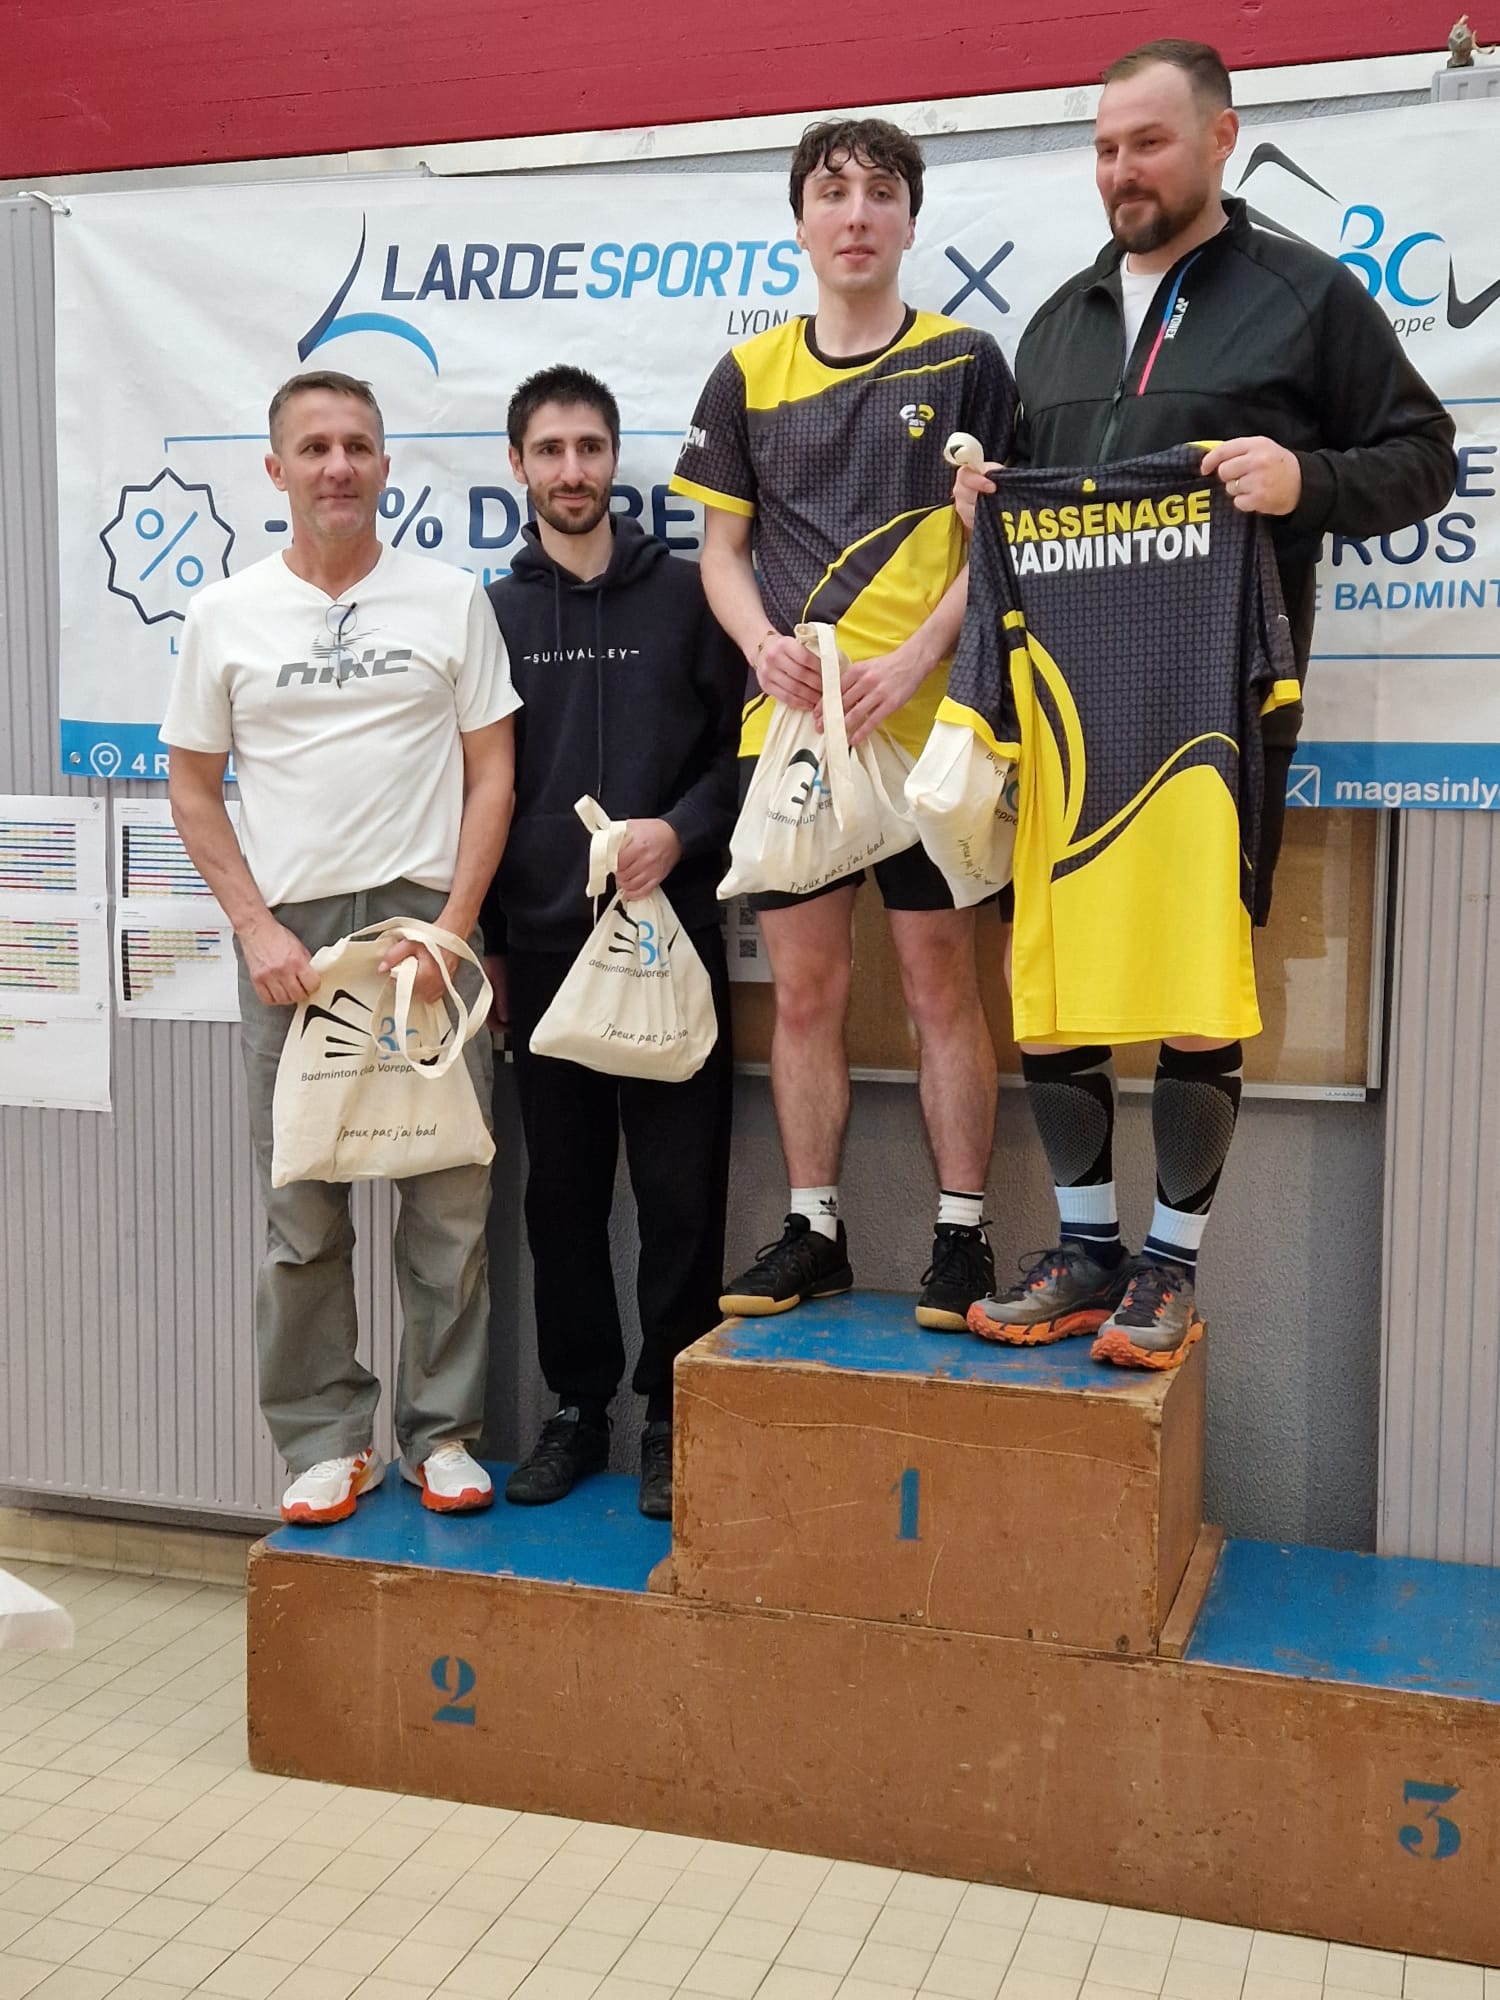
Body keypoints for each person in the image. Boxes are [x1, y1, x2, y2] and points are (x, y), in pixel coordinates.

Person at [958, 39, 1456, 1366]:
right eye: (1104, 147)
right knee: (1055, 980)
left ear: (1223, 137)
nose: (1121, 170)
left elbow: (1425, 457)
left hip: (1219, 708)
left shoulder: (1305, 294)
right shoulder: (1057, 320)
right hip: (1067, 710)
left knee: (1194, 975)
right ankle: (1084, 1248)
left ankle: (1170, 1265)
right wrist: (983, 501)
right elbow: (1023, 499)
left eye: (1149, 143)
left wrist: (1306, 483)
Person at [672, 118, 1018, 1331]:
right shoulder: (747, 375)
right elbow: (721, 552)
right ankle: (813, 1229)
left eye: (880, 192)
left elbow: (1001, 545)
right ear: (802, 222)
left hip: (930, 732)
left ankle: (962, 1235)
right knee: (807, 992)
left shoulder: (968, 359)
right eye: (832, 192)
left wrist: (916, 657)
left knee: (941, 987)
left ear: (911, 219)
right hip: (795, 738)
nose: (856, 213)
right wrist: (759, 644)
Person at [165, 369, 519, 1523]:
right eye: (314, 447)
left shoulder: (450, 599)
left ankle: (442, 1433)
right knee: (302, 1210)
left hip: (425, 932)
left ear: (384, 464)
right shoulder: (225, 615)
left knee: (449, 1200)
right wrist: (255, 927)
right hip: (295, 948)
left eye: (357, 445)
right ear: (276, 468)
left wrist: (453, 931)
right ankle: (325, 1438)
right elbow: (192, 785)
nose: (337, 466)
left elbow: (493, 774)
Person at [481, 366, 741, 1520]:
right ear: (519, 466)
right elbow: (479, 788)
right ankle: (577, 1410)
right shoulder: (494, 615)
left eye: (589, 447)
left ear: (614, 458)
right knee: (562, 1199)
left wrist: (676, 832)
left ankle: (675, 1414)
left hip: (673, 942)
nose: (571, 469)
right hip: (543, 953)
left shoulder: (686, 597)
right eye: (550, 450)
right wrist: (492, 940)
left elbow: (746, 755)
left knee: (683, 1196)